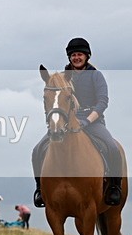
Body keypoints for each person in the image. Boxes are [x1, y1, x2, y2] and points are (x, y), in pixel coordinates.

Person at [31, 37, 123, 208]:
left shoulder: (96, 75)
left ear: (87, 56)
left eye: (80, 54)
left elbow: (102, 102)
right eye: (73, 55)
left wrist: (87, 121)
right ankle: (40, 189)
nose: (76, 58)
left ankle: (113, 187)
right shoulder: (63, 77)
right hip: (65, 122)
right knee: (37, 150)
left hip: (93, 121)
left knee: (113, 148)